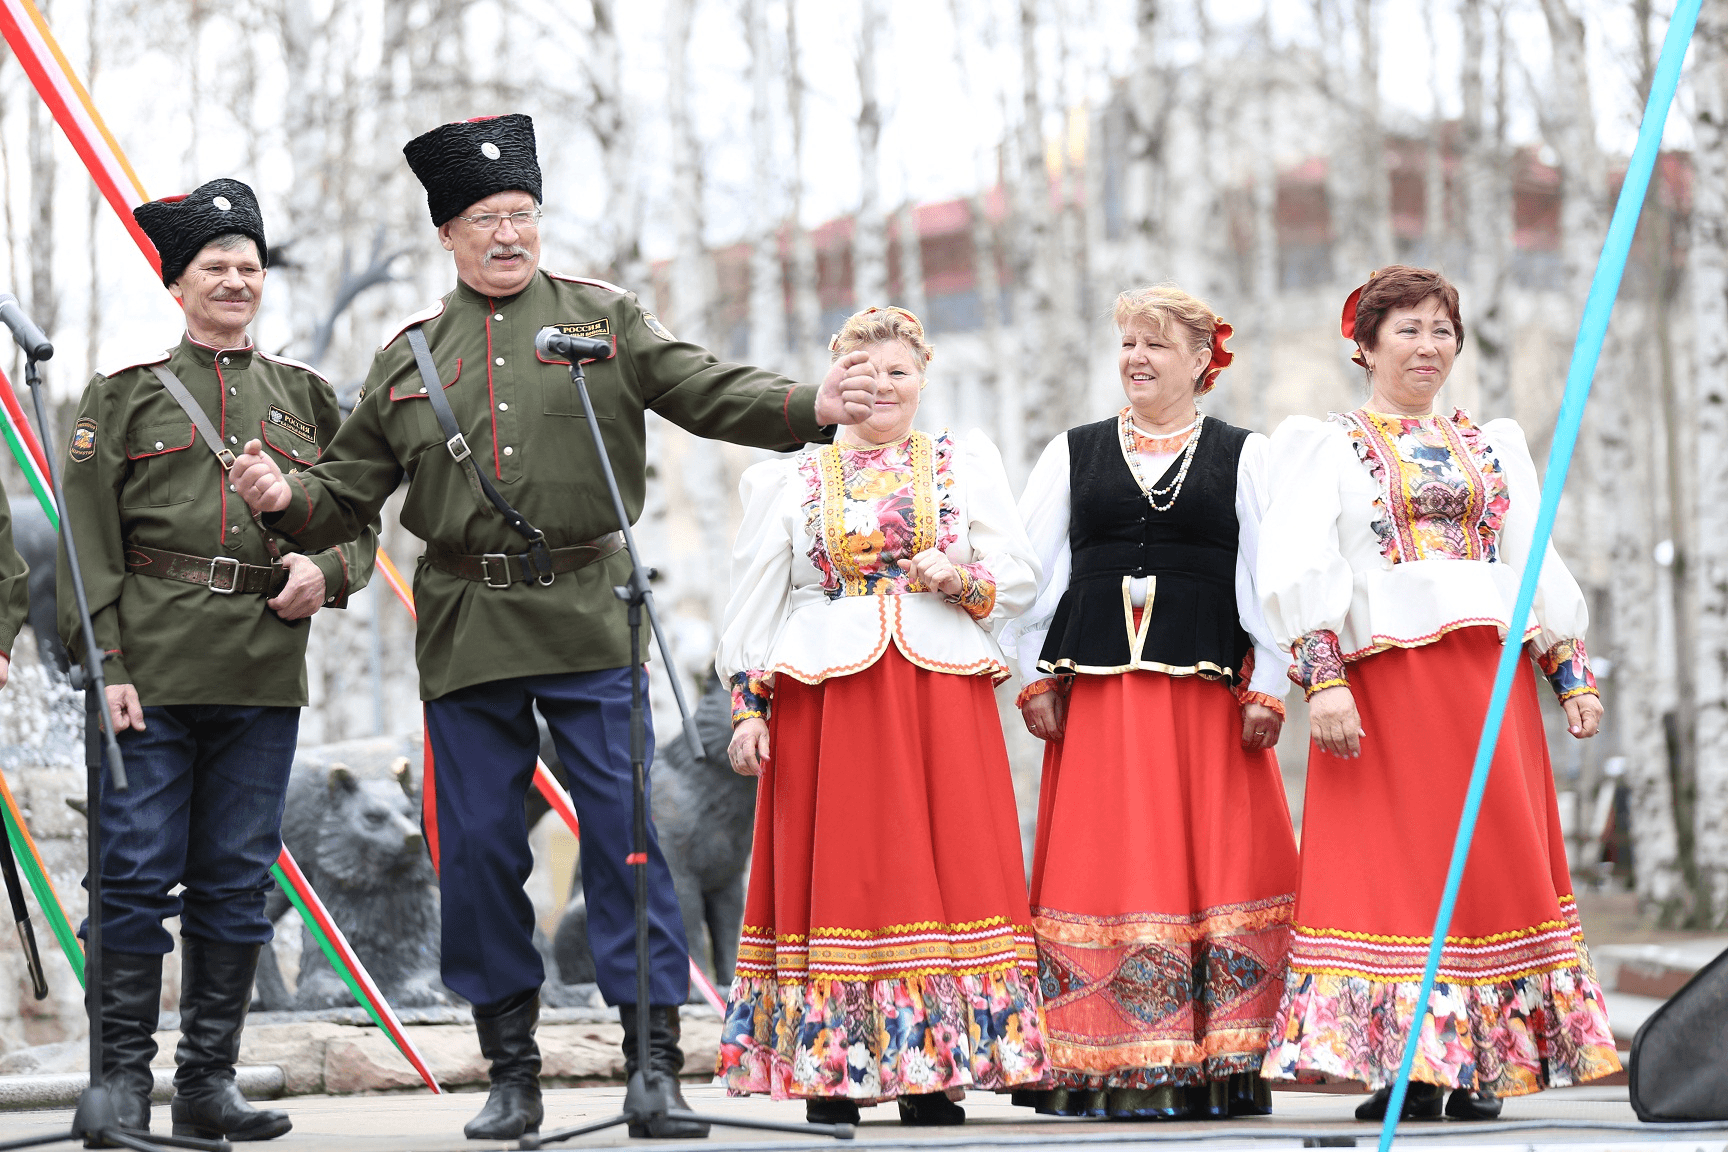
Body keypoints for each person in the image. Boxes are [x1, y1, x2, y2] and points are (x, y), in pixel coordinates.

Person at [228, 114, 878, 1142]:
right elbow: (345, 494)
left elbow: (706, 387)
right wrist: (282, 498)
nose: (508, 234)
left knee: (630, 841)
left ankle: (653, 1068)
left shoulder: (602, 321)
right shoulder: (409, 360)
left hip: (590, 614)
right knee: (480, 852)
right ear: (448, 233)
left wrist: (811, 402)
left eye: (522, 215)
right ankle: (513, 1073)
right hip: (467, 628)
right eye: (486, 219)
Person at [1256, 265, 1619, 1119]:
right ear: (1367, 344)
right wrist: (1324, 682)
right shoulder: (1326, 445)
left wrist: (1568, 669)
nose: (1429, 346)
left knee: (1491, 858)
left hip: (1485, 687)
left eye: (1442, 329)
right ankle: (1411, 1064)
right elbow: (1302, 563)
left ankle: (1484, 1060)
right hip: (1383, 691)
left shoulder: (1493, 444)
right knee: (1399, 869)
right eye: (1409, 329)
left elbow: (1531, 560)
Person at [57, 178, 377, 1141]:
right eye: (216, 268)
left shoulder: (307, 399)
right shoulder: (116, 400)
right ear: (179, 285)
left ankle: (207, 1089)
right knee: (132, 877)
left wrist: (327, 571)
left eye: (249, 267)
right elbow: (84, 547)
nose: (236, 281)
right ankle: (116, 1087)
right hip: (146, 674)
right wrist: (104, 662)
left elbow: (357, 526)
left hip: (261, 671)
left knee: (238, 883)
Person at [713, 306, 1048, 1127]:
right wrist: (749, 709)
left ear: (923, 380)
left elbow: (1019, 574)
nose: (883, 387)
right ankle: (836, 1069)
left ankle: (935, 1071)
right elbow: (755, 604)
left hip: (939, 685)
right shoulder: (788, 481)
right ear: (837, 385)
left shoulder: (962, 464)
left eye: (899, 372)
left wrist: (957, 575)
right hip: (831, 696)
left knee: (950, 864)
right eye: (865, 374)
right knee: (848, 868)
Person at [1001, 285, 1299, 1121]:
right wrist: (1032, 673)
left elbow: (1269, 579)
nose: (1135, 357)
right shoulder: (1074, 452)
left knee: (1212, 857)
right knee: (1109, 854)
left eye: (1155, 345)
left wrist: (1269, 683)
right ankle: (1105, 1060)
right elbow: (1033, 572)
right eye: (1128, 342)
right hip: (1099, 692)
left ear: (1203, 360)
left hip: (1206, 696)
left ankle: (1222, 1059)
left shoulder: (1247, 454)